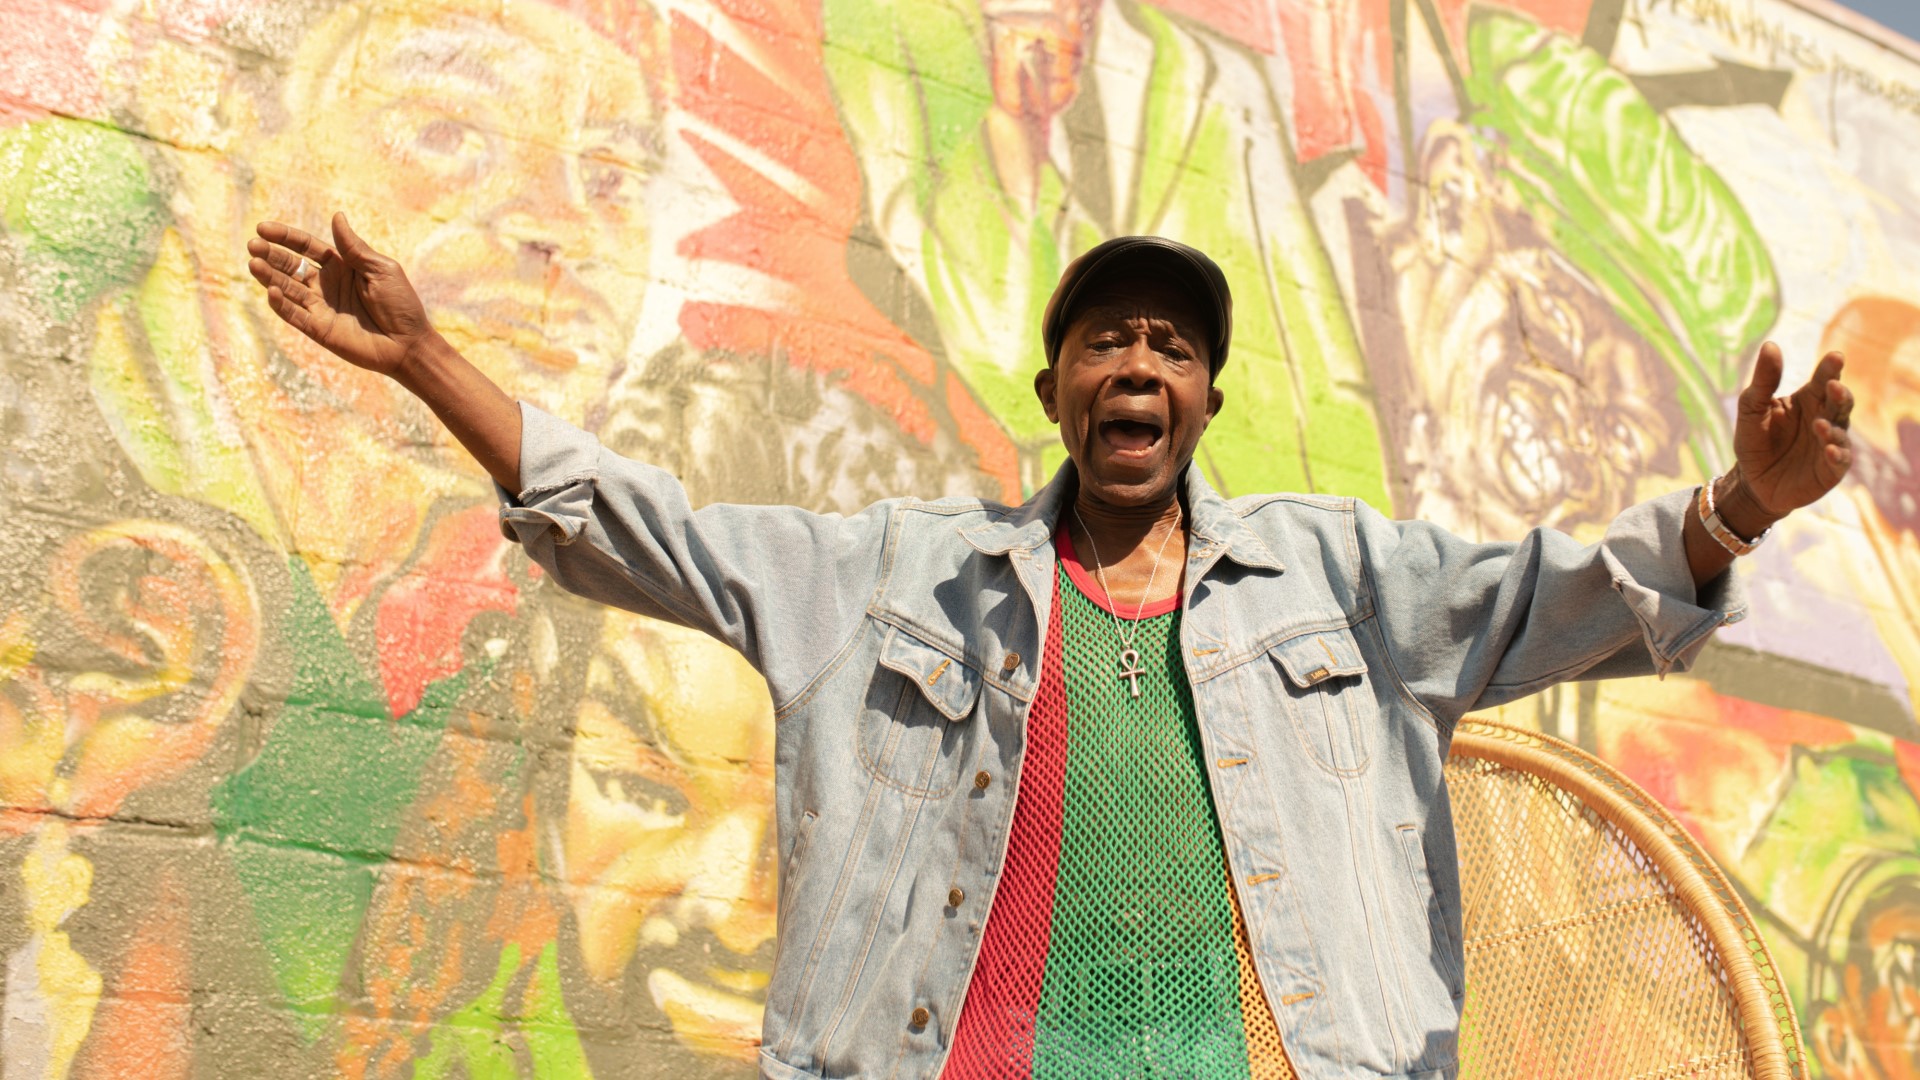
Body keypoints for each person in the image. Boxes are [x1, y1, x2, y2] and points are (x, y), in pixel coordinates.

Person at [245, 222, 1854, 1078]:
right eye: (1107, 340)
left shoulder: (1341, 576)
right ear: (1058, 393)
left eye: (1171, 344)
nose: (1138, 365)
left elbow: (1566, 601)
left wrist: (1739, 506)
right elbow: (646, 533)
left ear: (1207, 398)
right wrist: (429, 360)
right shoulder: (900, 573)